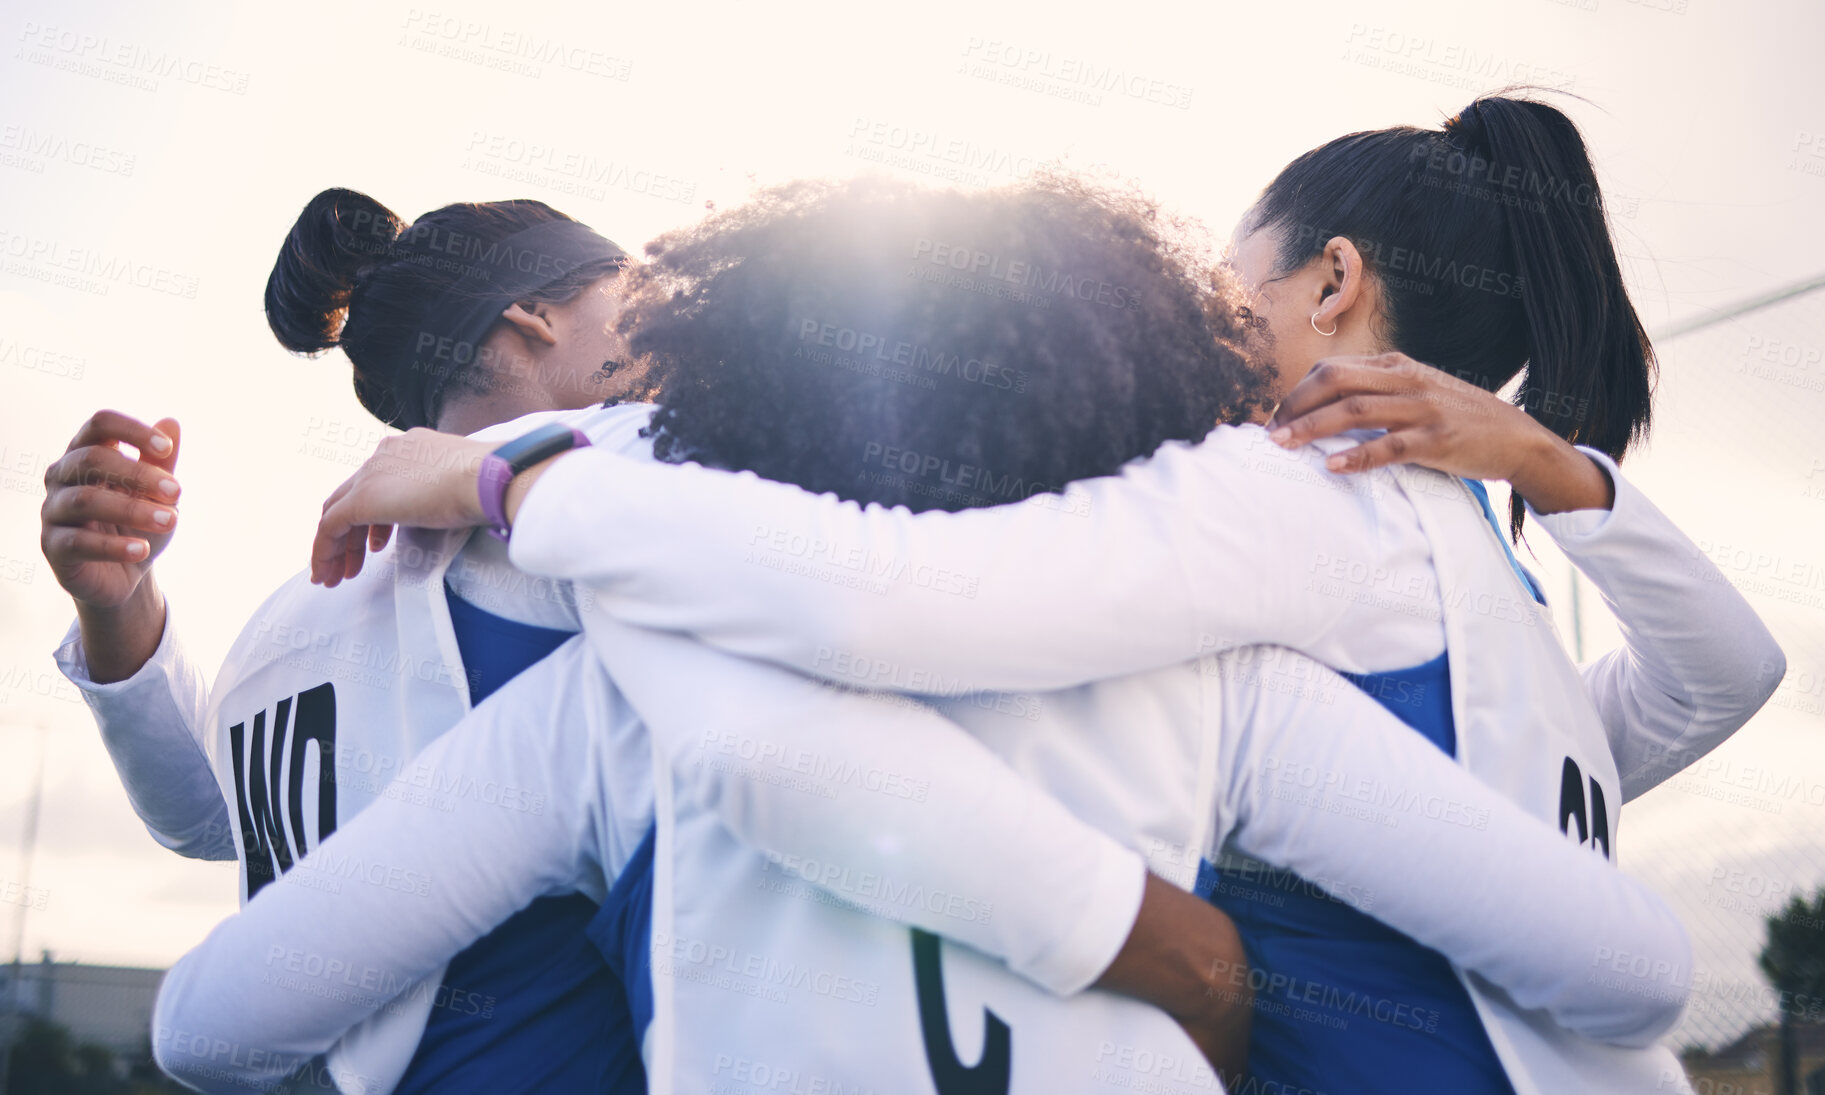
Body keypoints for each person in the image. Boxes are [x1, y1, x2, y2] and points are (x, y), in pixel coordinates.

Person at [180, 151, 1754, 1092]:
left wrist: (519, 478)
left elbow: (856, 611)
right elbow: (1630, 957)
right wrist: (1185, 960)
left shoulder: (616, 655)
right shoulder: (1262, 661)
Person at [45, 188, 655, 1094]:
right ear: (532, 313)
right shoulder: (634, 469)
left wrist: (119, 605)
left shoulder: (286, 621)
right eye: (637, 291)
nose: (672, 323)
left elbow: (206, 820)